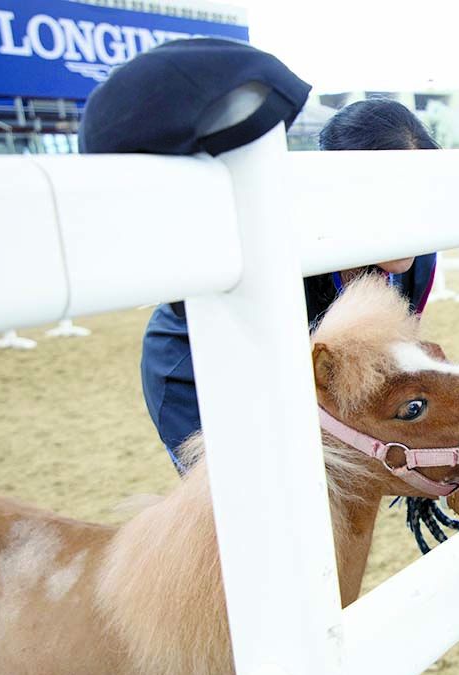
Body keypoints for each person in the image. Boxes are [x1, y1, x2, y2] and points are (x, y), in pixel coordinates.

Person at [141, 98, 440, 469]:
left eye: (419, 193)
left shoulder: (417, 261)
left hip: (290, 374)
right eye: (388, 198)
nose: (410, 218)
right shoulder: (283, 247)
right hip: (201, 368)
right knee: (252, 489)